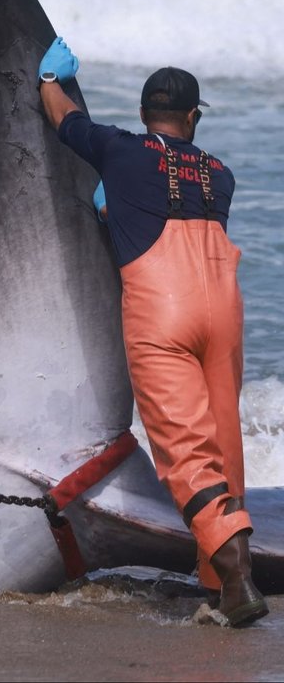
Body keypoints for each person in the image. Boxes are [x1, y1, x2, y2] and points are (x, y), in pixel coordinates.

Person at [37, 36, 269, 627]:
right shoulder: (222, 173)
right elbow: (178, 207)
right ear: (193, 116)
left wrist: (48, 81)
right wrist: (118, 209)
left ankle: (239, 577)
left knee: (185, 451)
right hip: (223, 307)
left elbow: (68, 122)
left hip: (162, 311)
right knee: (223, 443)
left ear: (145, 115)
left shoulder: (121, 148)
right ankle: (217, 583)